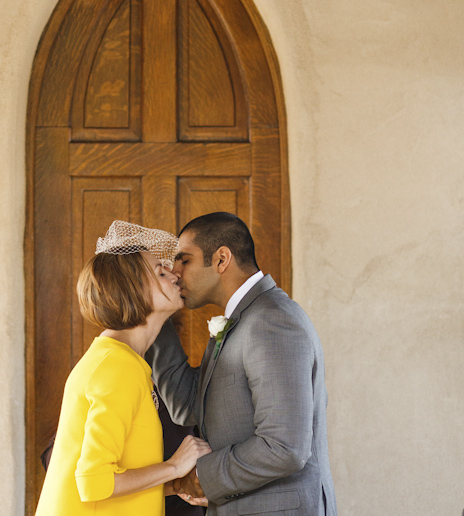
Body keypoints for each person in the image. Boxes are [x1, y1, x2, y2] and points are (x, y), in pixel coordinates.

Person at [147, 212, 338, 516]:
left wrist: (202, 478)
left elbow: (284, 447)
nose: (176, 272)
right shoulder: (243, 319)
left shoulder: (271, 321)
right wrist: (153, 314)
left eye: (185, 260)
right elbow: (187, 407)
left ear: (222, 259)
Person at [35, 220, 211, 516]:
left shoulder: (117, 359)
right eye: (160, 272)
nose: (174, 276)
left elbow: (111, 478)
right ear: (135, 289)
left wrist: (174, 483)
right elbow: (94, 482)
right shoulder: (118, 366)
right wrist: (173, 466)